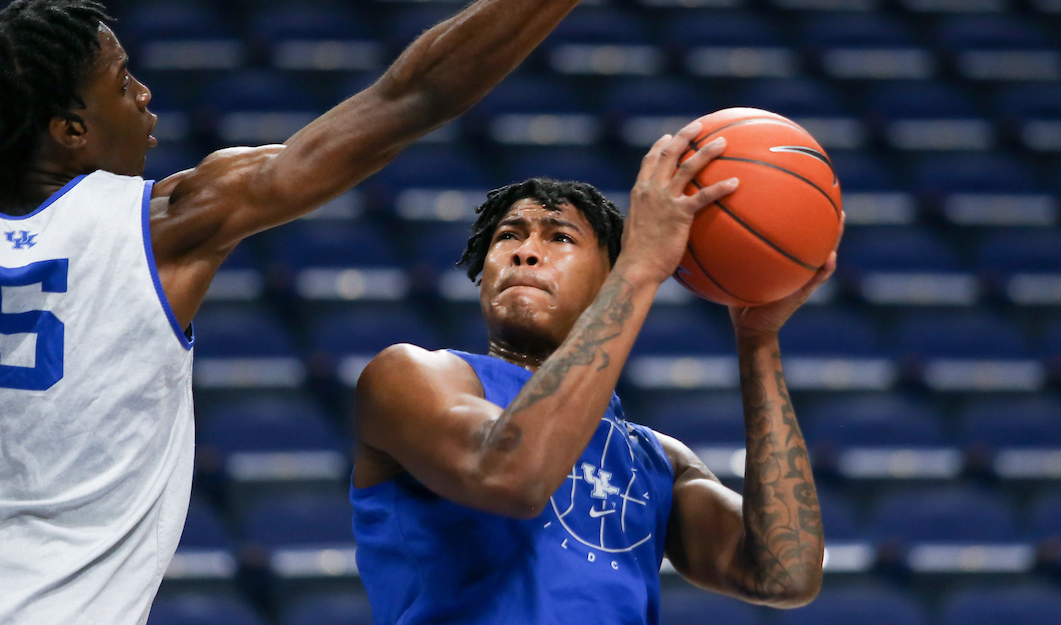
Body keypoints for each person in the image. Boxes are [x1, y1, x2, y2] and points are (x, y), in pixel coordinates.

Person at [0, 0, 769, 622]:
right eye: (122, 82)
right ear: (69, 131)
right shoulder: (169, 219)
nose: (145, 98)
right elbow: (411, 97)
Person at [352, 121, 841, 624]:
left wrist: (757, 341)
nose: (524, 251)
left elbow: (784, 575)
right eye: (508, 236)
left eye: (559, 236)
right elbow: (510, 476)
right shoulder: (411, 377)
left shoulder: (657, 460)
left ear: (604, 281)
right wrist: (640, 267)